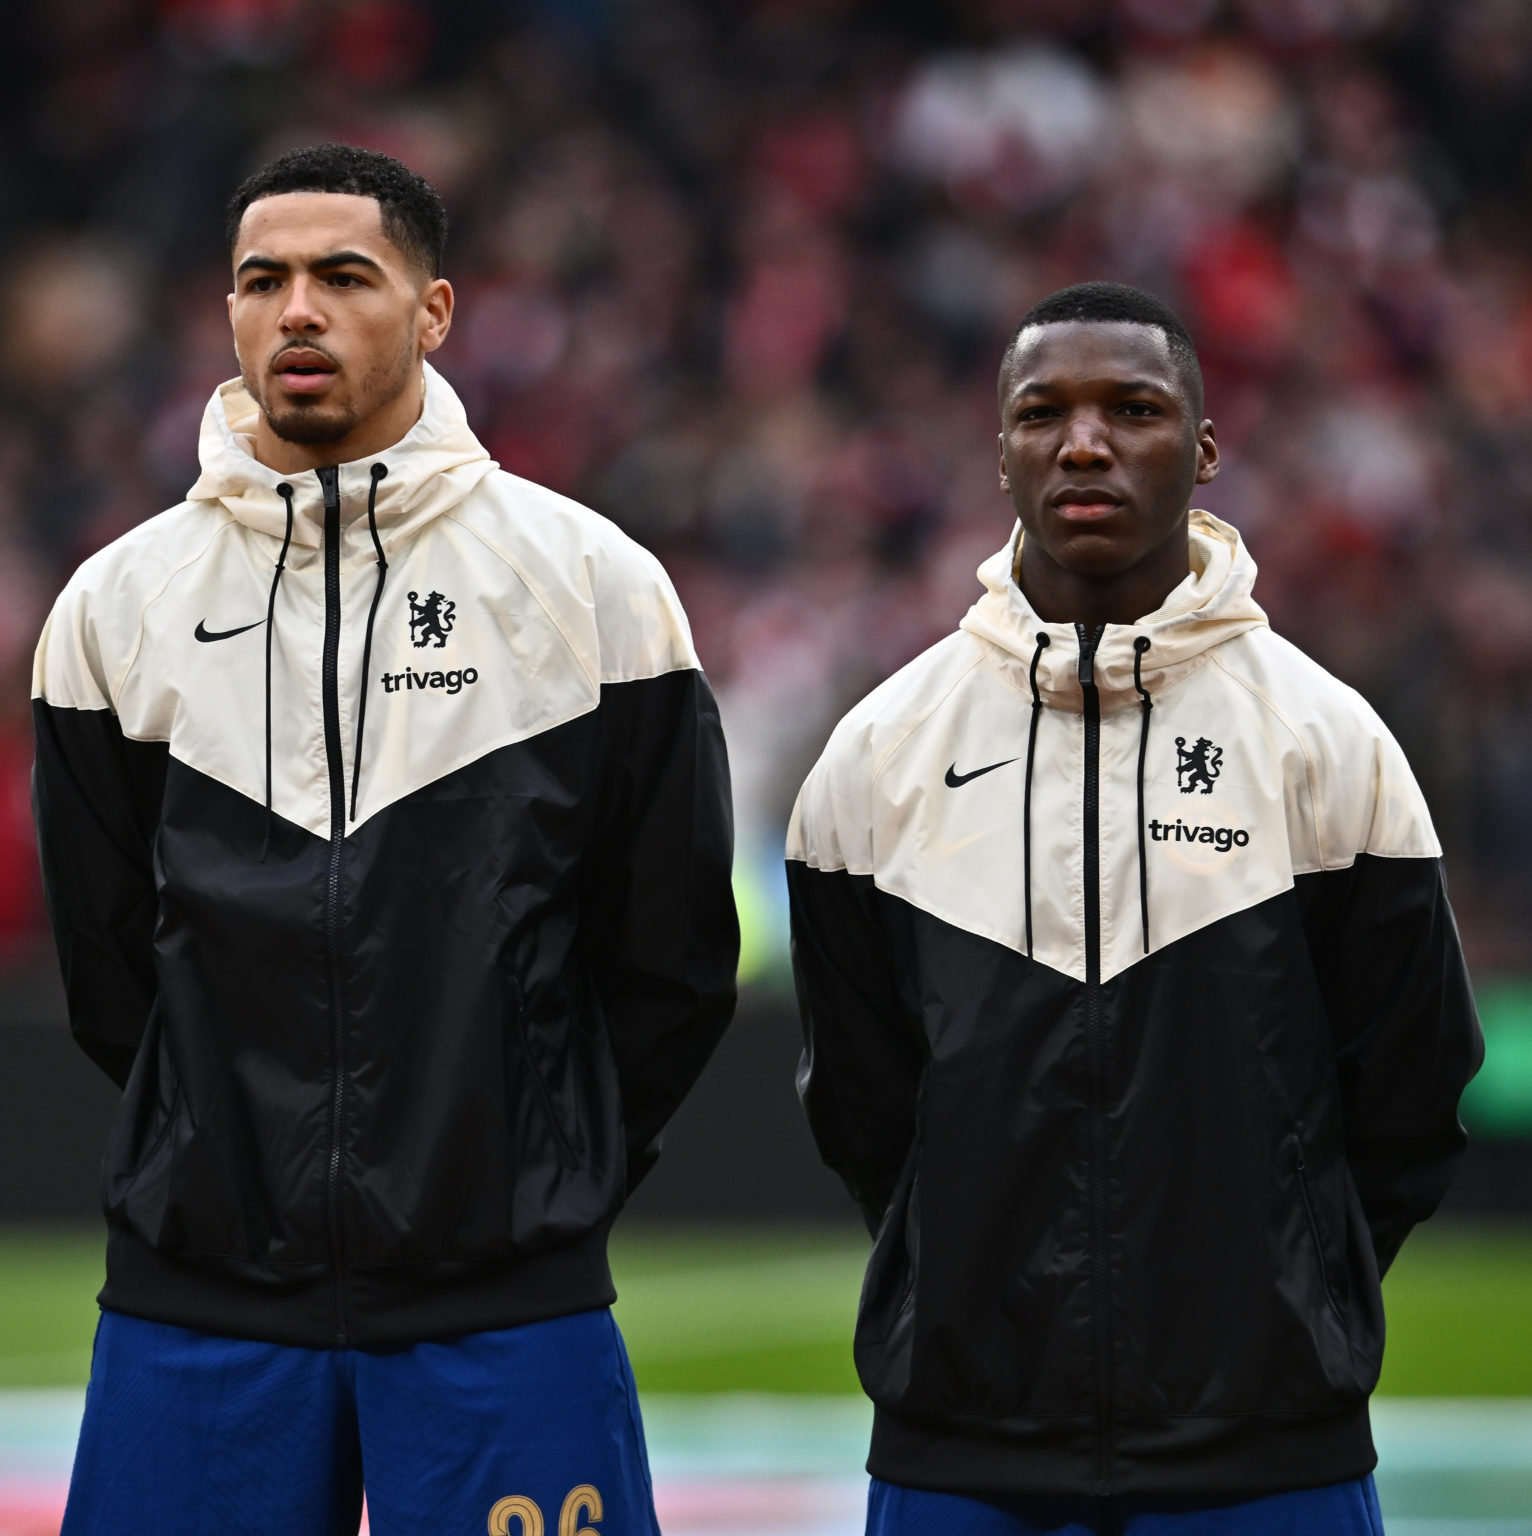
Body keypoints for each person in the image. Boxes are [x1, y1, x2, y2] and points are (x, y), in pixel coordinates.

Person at [33, 142, 738, 1535]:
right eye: (262, 280)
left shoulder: (593, 586)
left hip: (504, 1306)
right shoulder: (114, 609)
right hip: (201, 1307)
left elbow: (671, 962)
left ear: (433, 312)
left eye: (344, 276)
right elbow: (111, 969)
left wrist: (533, 1173)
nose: (297, 309)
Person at [786, 282, 1482, 1536]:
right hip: (961, 1453)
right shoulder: (878, 751)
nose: (1084, 441)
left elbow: (1411, 1087)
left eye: (1133, 408)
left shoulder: (1327, 744)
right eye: (1040, 411)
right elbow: (861, 1101)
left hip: (1265, 1457)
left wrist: (1281, 1293)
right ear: (997, 448)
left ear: (1204, 449)